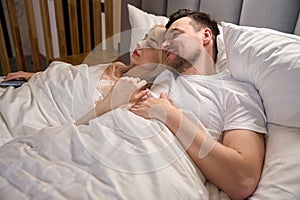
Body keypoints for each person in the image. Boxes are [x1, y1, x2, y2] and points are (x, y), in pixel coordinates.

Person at [129, 9, 267, 199]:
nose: (166, 44)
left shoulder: (235, 92)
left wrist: (170, 115)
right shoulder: (162, 76)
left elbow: (242, 179)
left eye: (176, 35)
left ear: (206, 36)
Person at [2, 25, 167, 126]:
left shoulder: (134, 95)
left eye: (150, 44)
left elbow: (80, 126)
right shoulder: (117, 66)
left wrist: (112, 102)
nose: (139, 43)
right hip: (36, 90)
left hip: (41, 115)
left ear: (162, 62)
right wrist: (33, 75)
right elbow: (74, 75)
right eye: (144, 38)